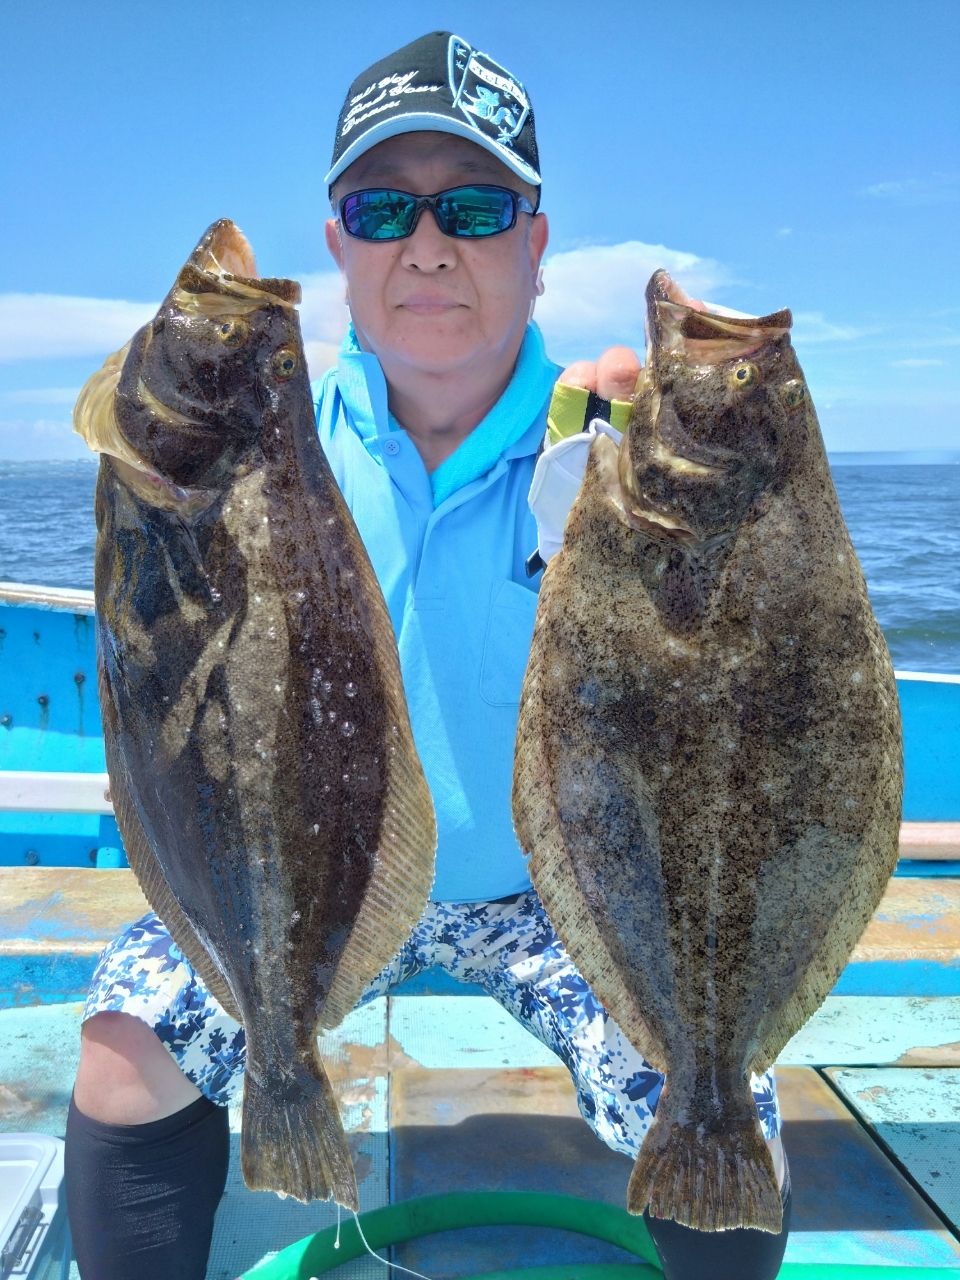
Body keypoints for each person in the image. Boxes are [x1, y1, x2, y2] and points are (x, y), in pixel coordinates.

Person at [64, 31, 790, 1280]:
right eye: (385, 207)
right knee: (124, 1058)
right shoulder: (265, 434)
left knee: (728, 1127)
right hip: (311, 886)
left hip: (556, 901)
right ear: (339, 243)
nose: (429, 243)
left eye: (474, 205)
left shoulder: (612, 450)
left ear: (538, 244)